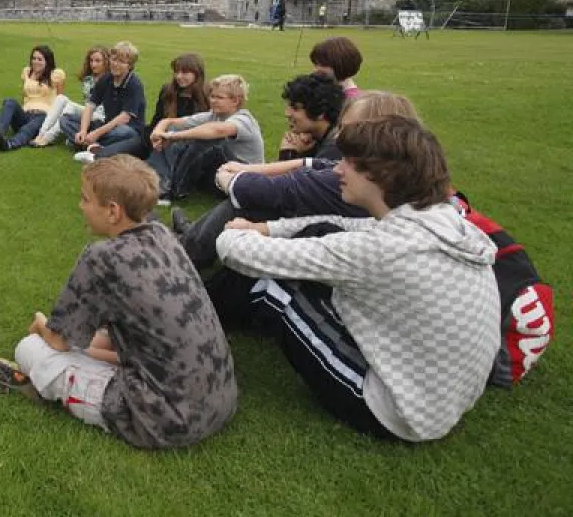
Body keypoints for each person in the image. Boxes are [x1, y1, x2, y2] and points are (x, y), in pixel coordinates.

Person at [212, 116, 500, 442]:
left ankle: (202, 321)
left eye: (348, 163)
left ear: (381, 175)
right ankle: (214, 311)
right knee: (319, 233)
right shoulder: (441, 220)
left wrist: (238, 232)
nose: (337, 170)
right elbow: (343, 226)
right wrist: (265, 229)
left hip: (399, 412)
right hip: (442, 395)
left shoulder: (381, 250)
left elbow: (235, 251)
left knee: (272, 282)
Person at [0, 155, 237, 450]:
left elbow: (59, 341)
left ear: (112, 211)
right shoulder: (163, 235)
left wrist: (41, 324)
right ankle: (75, 370)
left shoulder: (102, 257)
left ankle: (45, 384)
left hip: (165, 421)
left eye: (85, 199)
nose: (80, 206)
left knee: (30, 348)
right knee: (97, 340)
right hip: (219, 399)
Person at [176, 91, 416, 269]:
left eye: (295, 107)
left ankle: (186, 254)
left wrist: (227, 178)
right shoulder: (393, 180)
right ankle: (192, 240)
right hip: (329, 244)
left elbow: (283, 188)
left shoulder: (347, 176)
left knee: (248, 202)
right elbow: (309, 168)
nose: (287, 112)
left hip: (326, 271)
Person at [147, 74, 263, 202]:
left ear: (235, 101)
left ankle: (175, 192)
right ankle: (157, 181)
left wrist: (173, 137)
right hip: (221, 174)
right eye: (212, 96)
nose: (213, 101)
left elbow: (217, 130)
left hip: (244, 179)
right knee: (174, 133)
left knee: (206, 141)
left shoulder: (244, 119)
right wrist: (158, 132)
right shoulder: (213, 115)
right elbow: (169, 122)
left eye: (219, 97)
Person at [60, 41, 147, 164]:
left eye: (121, 62)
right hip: (107, 126)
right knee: (65, 119)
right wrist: (84, 130)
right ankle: (95, 148)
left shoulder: (134, 84)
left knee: (124, 132)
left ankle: (84, 144)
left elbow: (124, 118)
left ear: (130, 66)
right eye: (114, 59)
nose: (115, 64)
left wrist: (96, 133)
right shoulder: (106, 78)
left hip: (127, 130)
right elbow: (90, 105)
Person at [0, 45, 65, 152]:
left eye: (40, 59)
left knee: (33, 124)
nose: (35, 62)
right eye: (33, 58)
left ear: (47, 61)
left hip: (43, 117)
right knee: (9, 101)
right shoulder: (27, 72)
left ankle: (11, 143)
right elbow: (24, 96)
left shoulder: (56, 75)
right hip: (25, 114)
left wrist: (53, 124)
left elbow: (60, 100)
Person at [34, 44, 109, 147]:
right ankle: (41, 134)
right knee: (61, 98)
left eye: (97, 61)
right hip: (89, 113)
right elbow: (88, 103)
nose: (93, 64)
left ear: (106, 62)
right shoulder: (88, 79)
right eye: (91, 61)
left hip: (101, 117)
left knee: (70, 108)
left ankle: (49, 137)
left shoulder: (110, 79)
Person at [144, 52, 208, 156]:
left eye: (184, 73)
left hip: (187, 144)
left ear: (197, 74)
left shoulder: (207, 95)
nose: (178, 76)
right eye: (176, 72)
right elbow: (157, 118)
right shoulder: (168, 91)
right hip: (160, 136)